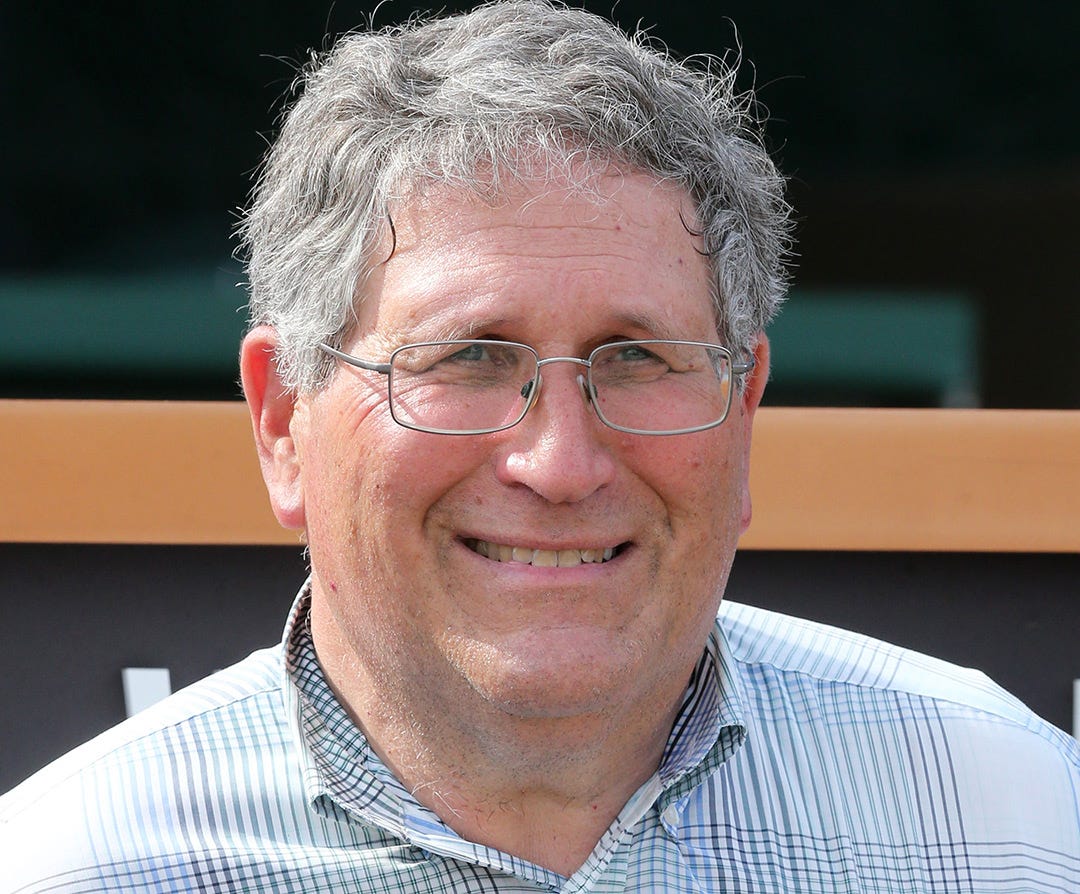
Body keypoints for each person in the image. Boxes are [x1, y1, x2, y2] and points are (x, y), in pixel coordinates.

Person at [3, 2, 1078, 890]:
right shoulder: (76, 868)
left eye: (637, 358)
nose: (560, 465)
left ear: (743, 414)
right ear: (284, 420)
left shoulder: (1015, 826)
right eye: (468, 358)